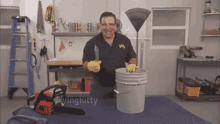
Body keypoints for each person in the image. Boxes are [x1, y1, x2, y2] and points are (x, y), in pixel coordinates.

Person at [82, 12, 138, 99]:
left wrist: (132, 64)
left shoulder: (124, 40)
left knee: (120, 110)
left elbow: (132, 57)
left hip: (120, 85)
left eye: (111, 24)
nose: (108, 28)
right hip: (98, 87)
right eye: (104, 24)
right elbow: (84, 62)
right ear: (100, 26)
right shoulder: (91, 43)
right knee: (97, 111)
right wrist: (88, 65)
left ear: (115, 25)